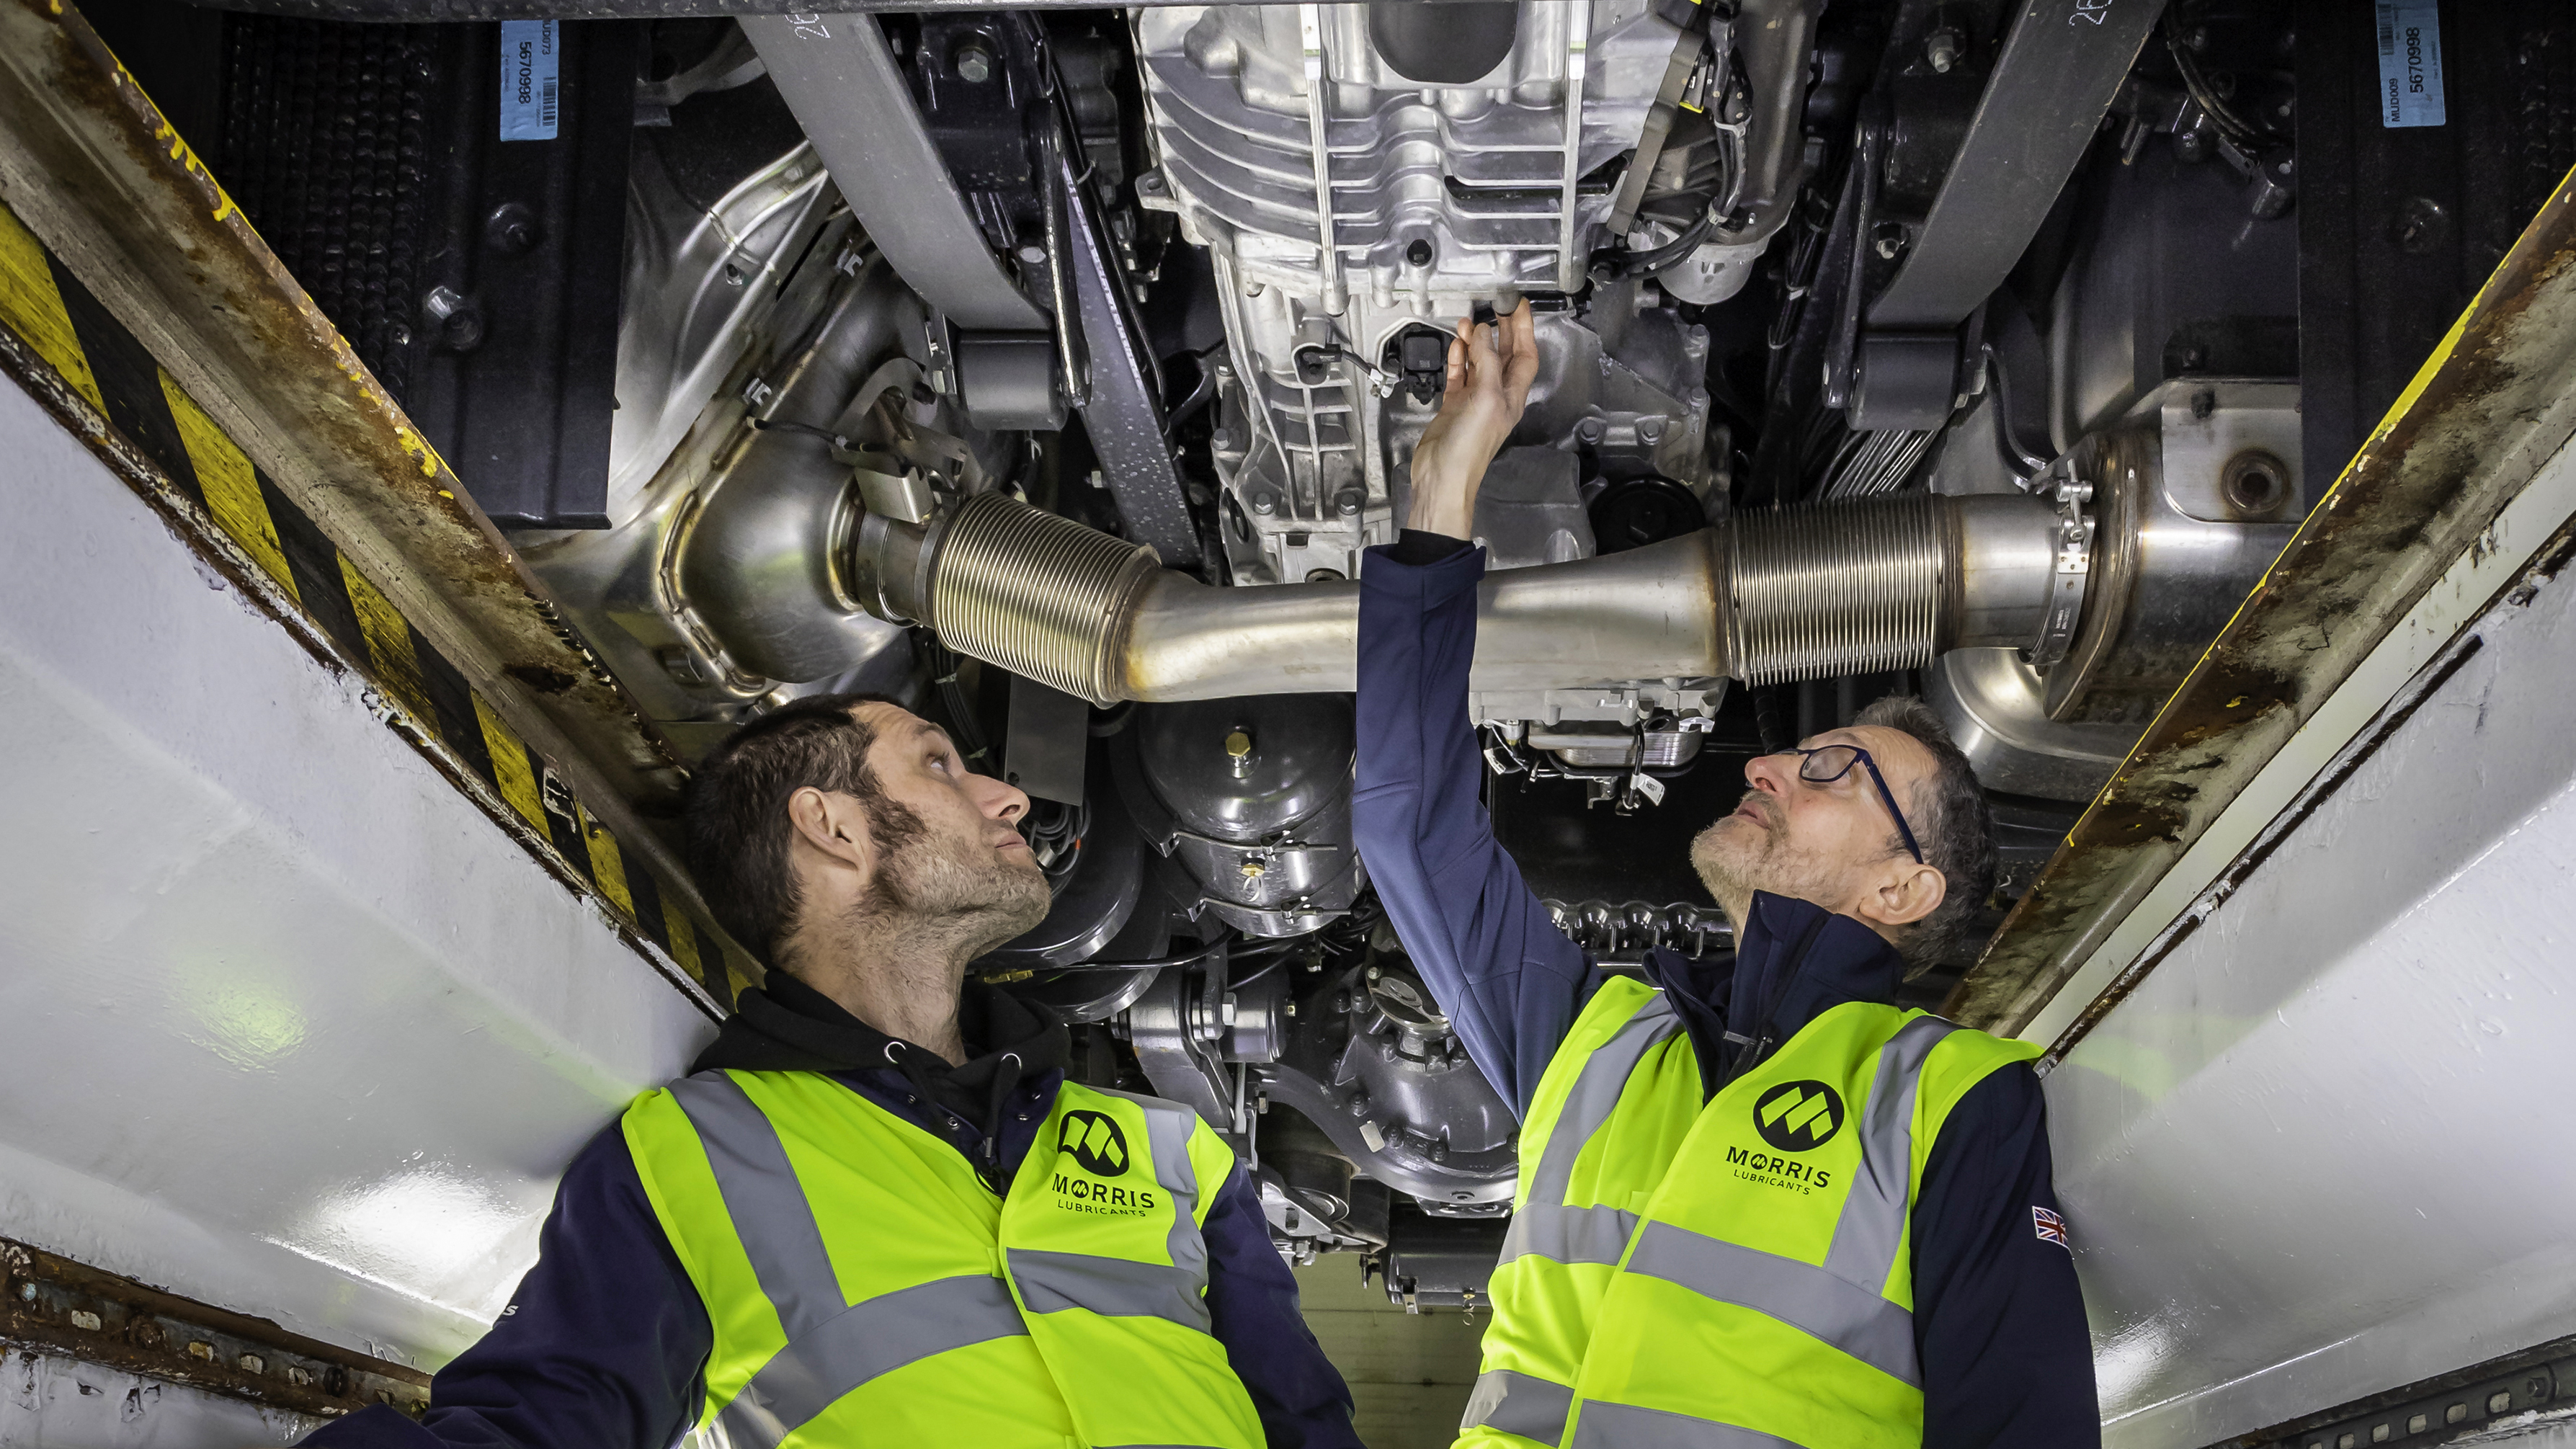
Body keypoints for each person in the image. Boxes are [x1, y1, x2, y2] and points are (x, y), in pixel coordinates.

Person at [1352, 303, 2098, 1449]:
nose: (1766, 764)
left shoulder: (1952, 1103)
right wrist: (1440, 494)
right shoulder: (1596, 1044)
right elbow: (1413, 828)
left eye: (1833, 772)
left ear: (1902, 891)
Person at [308, 694, 1360, 1449]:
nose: (1010, 800)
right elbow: (546, 1418)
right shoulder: (690, 1157)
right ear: (835, 826)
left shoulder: (1174, 1149)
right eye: (941, 762)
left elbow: (1306, 1424)